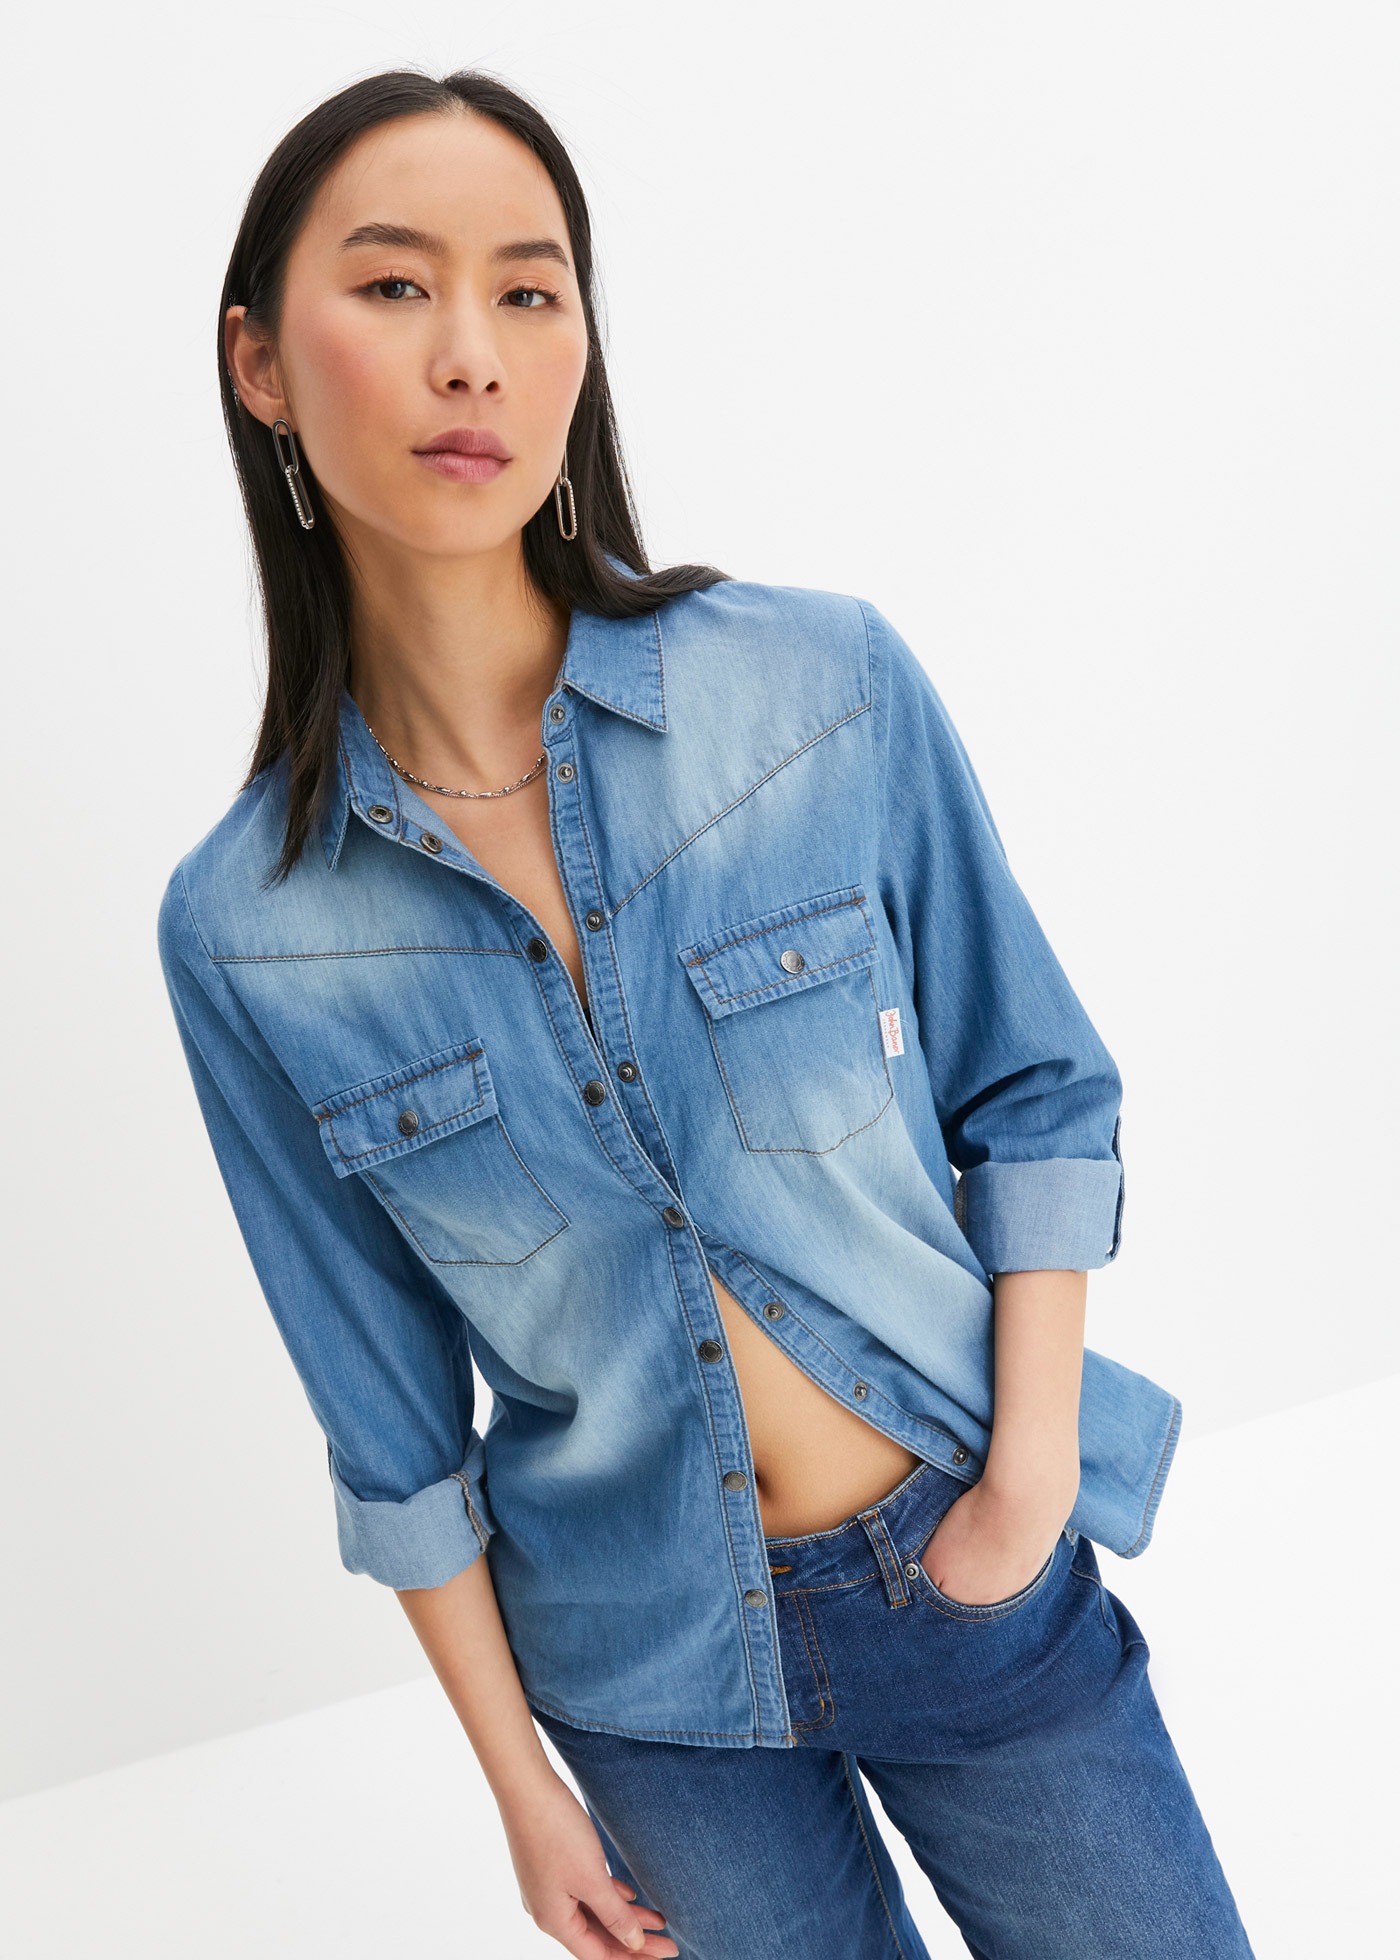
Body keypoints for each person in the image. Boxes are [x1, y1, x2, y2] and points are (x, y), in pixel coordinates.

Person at [156, 66, 1257, 1960]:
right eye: (397, 286)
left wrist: (1024, 1489)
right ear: (259, 361)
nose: (472, 353)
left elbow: (1038, 1088)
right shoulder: (246, 928)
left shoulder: (814, 685)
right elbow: (387, 1420)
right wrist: (524, 1794)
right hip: (649, 1682)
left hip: (967, 1556)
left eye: (529, 289)